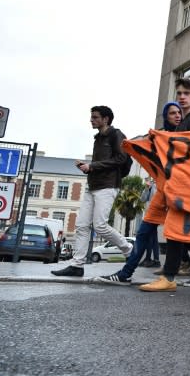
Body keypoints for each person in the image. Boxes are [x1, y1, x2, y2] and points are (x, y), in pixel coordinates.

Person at [139, 79, 190, 292]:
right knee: (178, 232)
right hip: (180, 187)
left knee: (177, 231)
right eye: (179, 94)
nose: (182, 97)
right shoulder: (182, 125)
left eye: (186, 93)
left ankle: (172, 276)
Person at [94, 102, 183, 285]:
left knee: (186, 236)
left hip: (179, 194)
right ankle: (125, 274)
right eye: (173, 113)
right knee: (143, 234)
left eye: (179, 113)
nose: (177, 115)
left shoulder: (185, 134)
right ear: (166, 116)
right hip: (162, 192)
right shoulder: (160, 137)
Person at [51, 106, 133, 277]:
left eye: (95, 117)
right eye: (91, 117)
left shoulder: (116, 134)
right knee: (81, 226)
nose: (91, 120)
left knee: (100, 226)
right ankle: (77, 265)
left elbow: (121, 158)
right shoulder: (98, 137)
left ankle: (130, 251)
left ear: (106, 119)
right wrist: (87, 168)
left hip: (108, 186)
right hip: (93, 185)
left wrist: (93, 166)